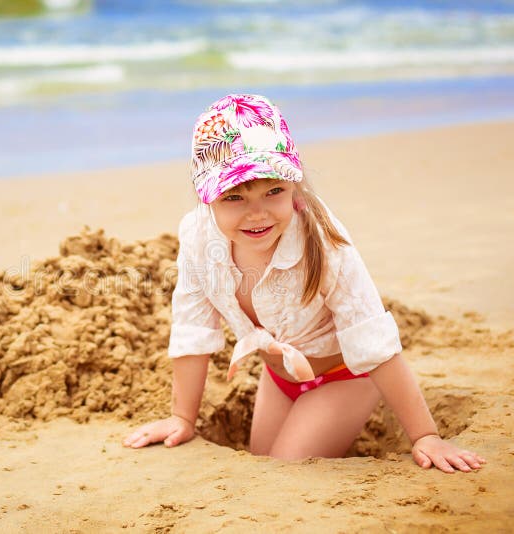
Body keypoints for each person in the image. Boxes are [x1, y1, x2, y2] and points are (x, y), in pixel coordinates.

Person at [122, 93, 485, 473]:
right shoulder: (197, 238)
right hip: (279, 378)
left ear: (293, 182)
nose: (257, 213)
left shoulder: (323, 239)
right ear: (207, 195)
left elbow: (371, 335)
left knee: (282, 471)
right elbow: (193, 328)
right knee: (260, 461)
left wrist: (425, 435)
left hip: (345, 377)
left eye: (273, 191)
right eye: (234, 196)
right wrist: (182, 418)